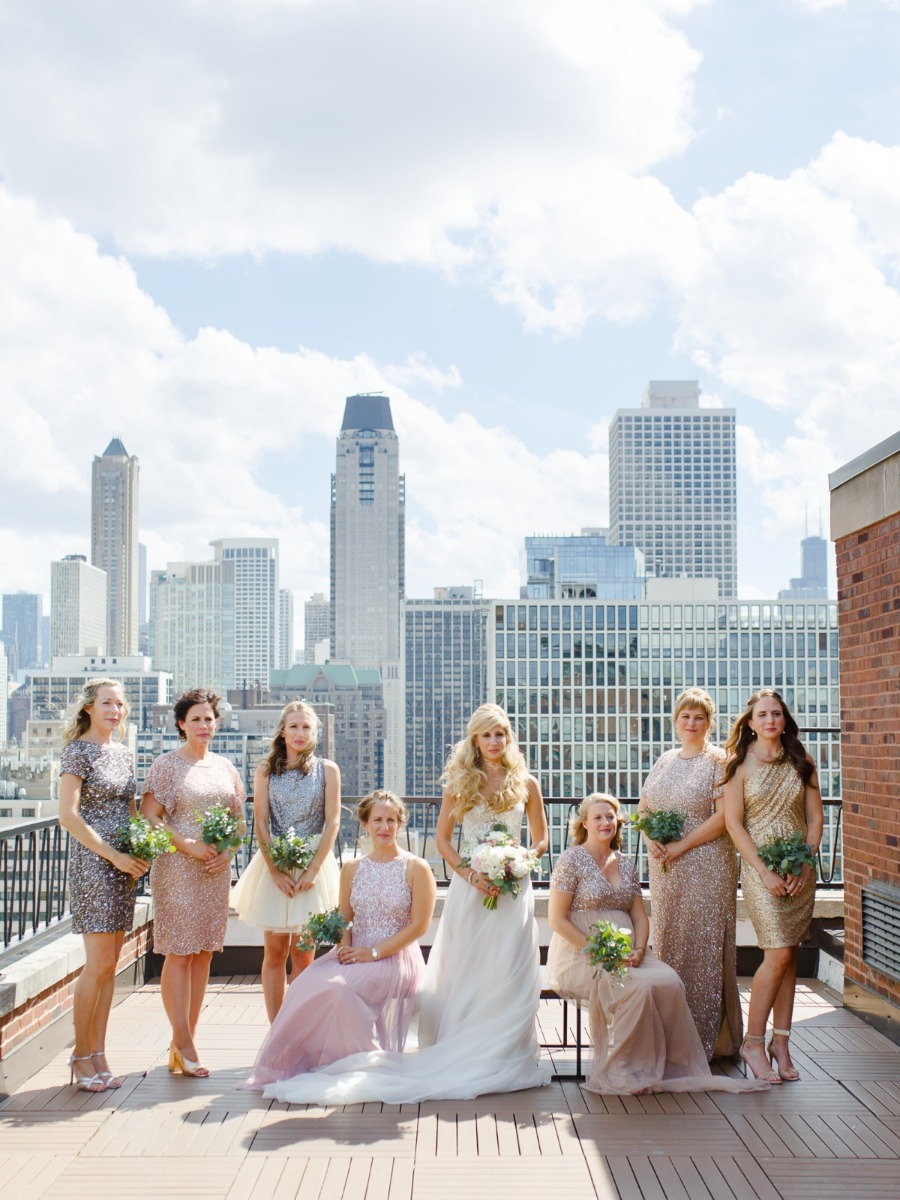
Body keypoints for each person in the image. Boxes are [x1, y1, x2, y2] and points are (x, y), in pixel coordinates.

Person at [259, 702, 550, 1104]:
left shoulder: (527, 783)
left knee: (511, 972)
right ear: (475, 740)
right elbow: (445, 840)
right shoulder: (459, 783)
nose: (495, 741)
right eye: (487, 734)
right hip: (472, 888)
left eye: (501, 733)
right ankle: (463, 1045)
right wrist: (473, 874)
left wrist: (518, 862)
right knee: (470, 971)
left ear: (509, 737)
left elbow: (541, 839)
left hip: (513, 892)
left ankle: (510, 1052)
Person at [547, 794, 767, 1095]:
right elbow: (557, 920)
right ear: (584, 823)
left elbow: (638, 916)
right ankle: (624, 1067)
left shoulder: (625, 862)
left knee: (668, 981)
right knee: (638, 988)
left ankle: (661, 1066)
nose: (605, 822)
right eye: (597, 817)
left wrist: (639, 949)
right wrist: (598, 951)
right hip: (583, 953)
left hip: (629, 951)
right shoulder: (571, 859)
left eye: (610, 817)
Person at [243, 791, 436, 1088]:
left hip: (395, 957)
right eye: (377, 821)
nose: (384, 827)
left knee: (339, 991)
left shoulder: (416, 868)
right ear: (365, 824)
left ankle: (364, 1061)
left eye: (391, 820)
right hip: (354, 952)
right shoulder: (352, 868)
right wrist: (345, 947)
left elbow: (419, 927)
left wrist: (372, 953)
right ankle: (299, 1061)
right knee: (305, 985)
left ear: (400, 824)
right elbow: (345, 917)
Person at [140, 688, 246, 1078]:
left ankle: (186, 1041)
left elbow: (238, 822)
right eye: (196, 719)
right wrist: (188, 845)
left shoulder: (225, 768)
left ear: (217, 724)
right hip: (177, 869)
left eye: (209, 719)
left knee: (203, 954)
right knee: (179, 953)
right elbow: (149, 817)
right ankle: (184, 1042)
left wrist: (227, 852)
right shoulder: (167, 766)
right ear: (181, 724)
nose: (204, 725)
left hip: (213, 872)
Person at [723, 689, 823, 1084]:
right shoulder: (738, 765)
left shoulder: (802, 761)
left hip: (800, 869)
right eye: (762, 715)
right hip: (762, 871)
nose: (770, 720)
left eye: (776, 714)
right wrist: (764, 871)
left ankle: (781, 1043)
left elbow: (814, 820)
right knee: (778, 953)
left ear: (784, 720)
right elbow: (734, 825)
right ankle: (752, 1041)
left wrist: (804, 861)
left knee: (790, 955)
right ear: (750, 723)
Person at [637, 687, 742, 1059]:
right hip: (666, 867)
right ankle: (670, 1034)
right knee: (669, 943)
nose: (692, 723)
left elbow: (723, 818)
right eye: (686, 716)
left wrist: (681, 846)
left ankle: (709, 1040)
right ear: (676, 721)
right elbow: (644, 808)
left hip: (707, 864)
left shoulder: (719, 761)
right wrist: (652, 838)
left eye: (699, 717)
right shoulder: (665, 760)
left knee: (704, 946)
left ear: (709, 723)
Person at [58, 679, 149, 1091]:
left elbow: (129, 813)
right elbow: (68, 817)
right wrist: (112, 856)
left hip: (123, 866)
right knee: (96, 965)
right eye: (107, 702)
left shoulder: (125, 755)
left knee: (112, 965)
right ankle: (79, 1056)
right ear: (89, 709)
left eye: (120, 703)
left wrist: (139, 852)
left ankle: (99, 1052)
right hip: (94, 864)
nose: (116, 709)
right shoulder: (79, 751)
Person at [230, 701, 341, 1021]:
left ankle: (300, 1024)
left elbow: (332, 822)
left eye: (306, 727)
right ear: (282, 730)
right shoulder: (266, 770)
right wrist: (276, 871)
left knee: (304, 955)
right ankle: (276, 1026)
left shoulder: (327, 770)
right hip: (274, 864)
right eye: (293, 726)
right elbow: (261, 823)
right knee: (275, 953)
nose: (300, 733)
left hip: (313, 868)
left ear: (315, 732)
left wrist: (313, 870)